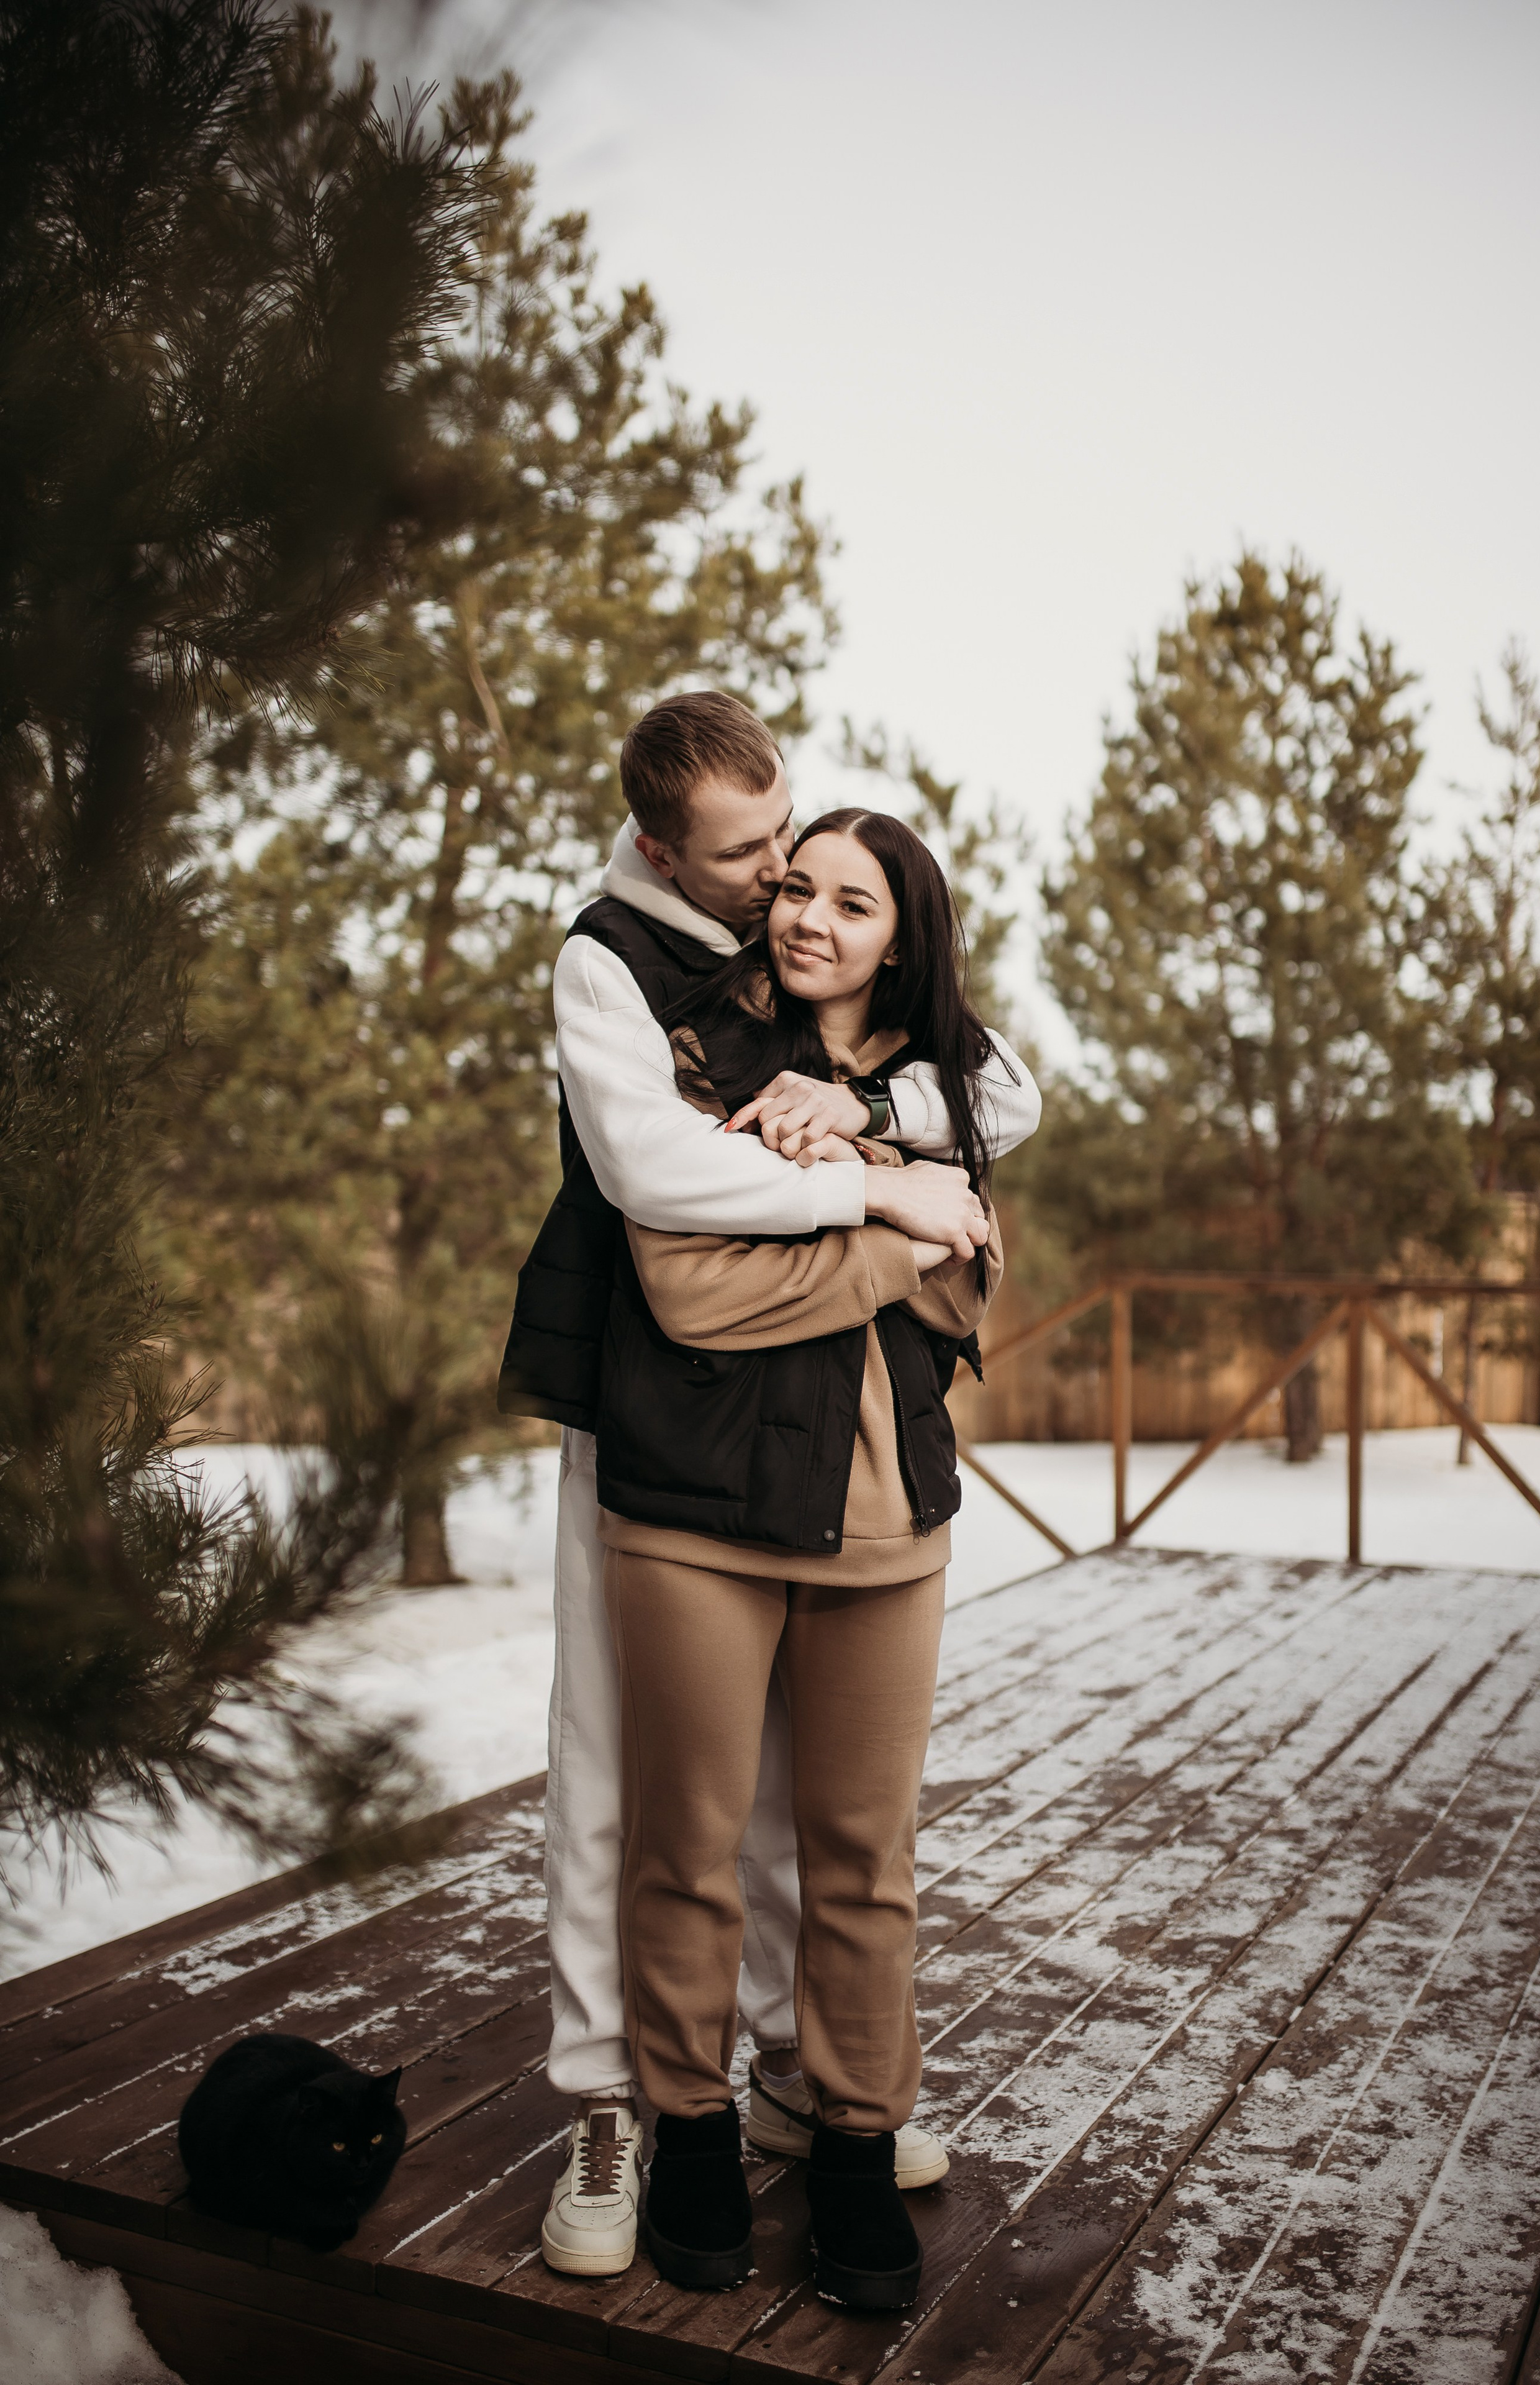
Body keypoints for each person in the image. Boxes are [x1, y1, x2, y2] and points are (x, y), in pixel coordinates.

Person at [497, 694, 1040, 2279]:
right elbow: (668, 1208)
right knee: (629, 1787)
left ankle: (814, 2089)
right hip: (648, 1422)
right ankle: (627, 2103)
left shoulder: (845, 1011)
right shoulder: (624, 967)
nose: (779, 888)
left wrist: (871, 1119)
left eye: (801, 857)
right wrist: (893, 1204)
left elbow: (993, 1109)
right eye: (757, 866)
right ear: (666, 847)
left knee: (831, 1831)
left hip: (848, 1475)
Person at [598, 806, 1002, 2311]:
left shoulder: (935, 1089)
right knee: (686, 1849)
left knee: (861, 1862)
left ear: (901, 935)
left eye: (853, 901)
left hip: (888, 1522)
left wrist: (892, 1180)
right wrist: (898, 1238)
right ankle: (689, 2131)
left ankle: (850, 2139)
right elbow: (692, 1292)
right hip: (692, 1515)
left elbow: (970, 1293)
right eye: (796, 890)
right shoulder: (697, 1061)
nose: (810, 920)